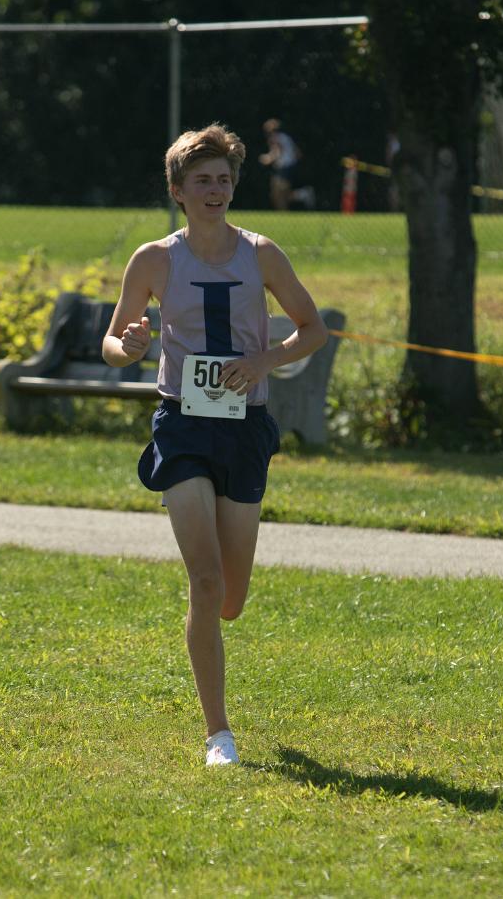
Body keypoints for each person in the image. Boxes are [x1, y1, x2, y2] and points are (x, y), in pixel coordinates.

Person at [103, 123, 328, 766]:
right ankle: (218, 735)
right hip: (181, 423)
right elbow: (113, 343)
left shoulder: (261, 254)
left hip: (244, 426)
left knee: (230, 597)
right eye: (201, 180)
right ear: (177, 190)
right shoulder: (153, 259)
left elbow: (312, 330)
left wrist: (262, 362)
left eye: (224, 180)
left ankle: (219, 612)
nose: (215, 190)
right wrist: (130, 346)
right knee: (203, 581)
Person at [258, 118, 316, 210]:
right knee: (279, 194)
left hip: (284, 168)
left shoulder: (274, 138)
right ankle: (303, 194)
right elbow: (298, 154)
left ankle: (303, 195)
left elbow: (276, 153)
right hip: (289, 167)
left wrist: (267, 159)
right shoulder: (286, 137)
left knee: (278, 194)